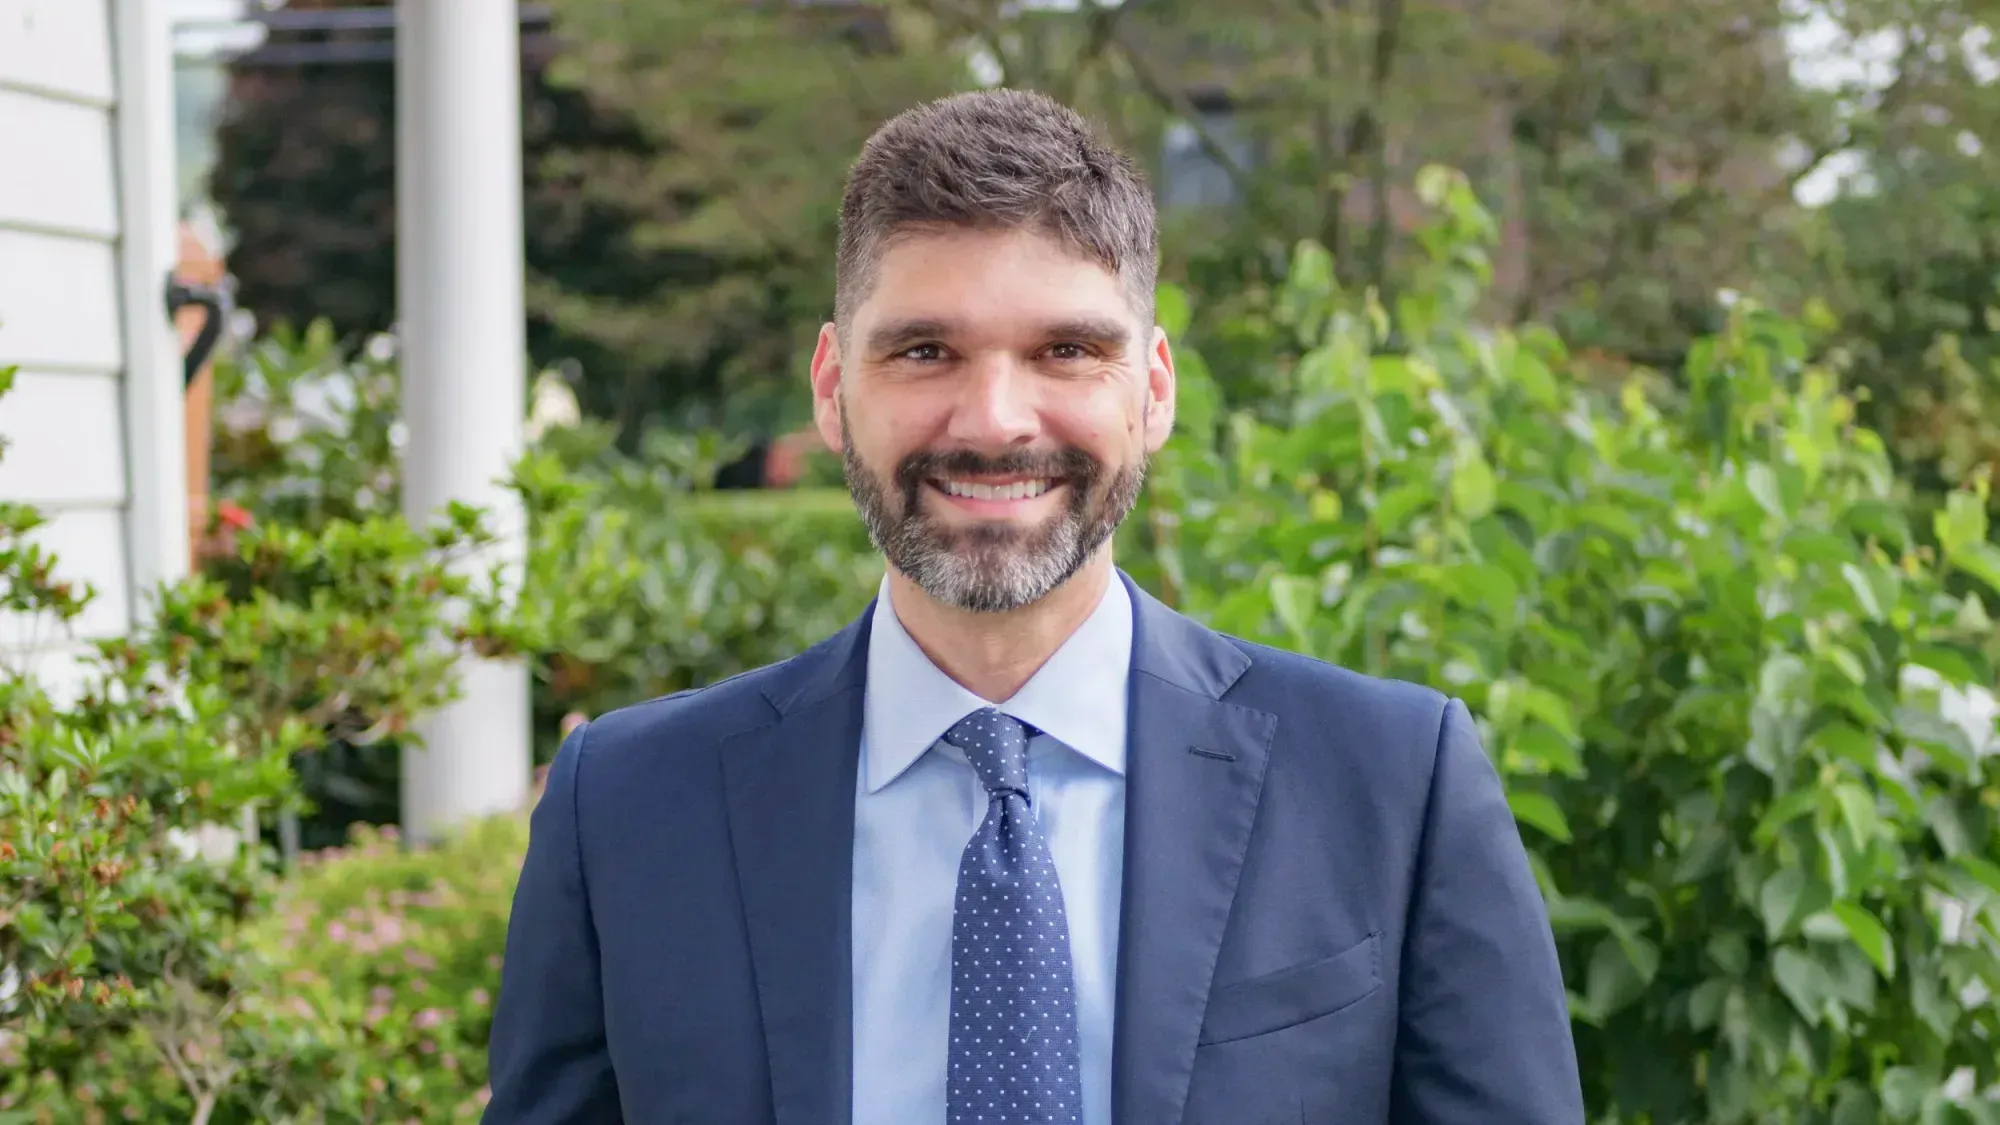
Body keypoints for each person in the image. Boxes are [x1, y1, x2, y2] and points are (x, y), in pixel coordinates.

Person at [484, 89, 1583, 1125]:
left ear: (1152, 390)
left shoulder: (1391, 783)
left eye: (1066, 350)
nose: (996, 418)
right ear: (831, 389)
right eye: (924, 351)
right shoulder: (628, 809)